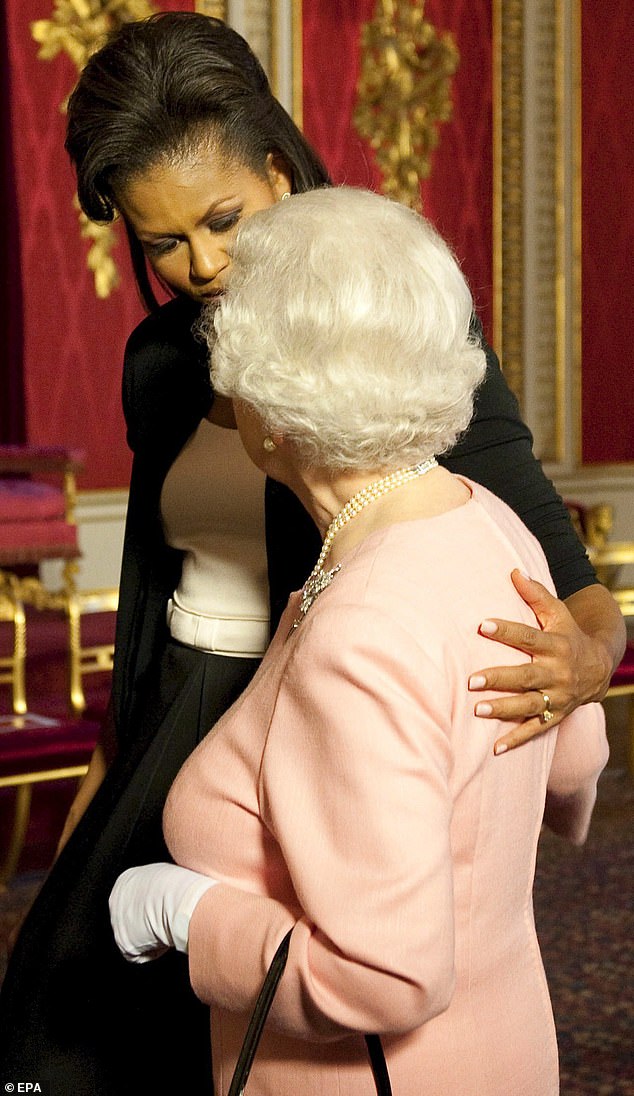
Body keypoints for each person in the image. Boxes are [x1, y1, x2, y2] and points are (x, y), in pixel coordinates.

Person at [0, 12, 623, 1094]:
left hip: (316, 725)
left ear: (280, 170)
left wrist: (585, 662)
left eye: (221, 220)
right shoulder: (160, 360)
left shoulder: (389, 327)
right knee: (61, 1029)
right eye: (161, 241)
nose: (197, 264)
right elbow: (153, 590)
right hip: (169, 719)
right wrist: (109, 780)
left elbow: (556, 575)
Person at [109, 186, 610, 1096]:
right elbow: (577, 750)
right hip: (505, 1040)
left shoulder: (365, 629)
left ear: (270, 407)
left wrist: (193, 915)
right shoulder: (487, 520)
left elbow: (388, 976)